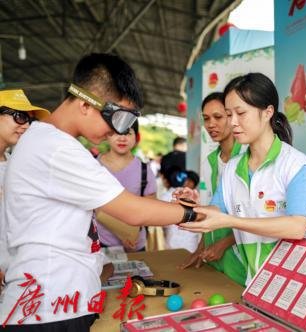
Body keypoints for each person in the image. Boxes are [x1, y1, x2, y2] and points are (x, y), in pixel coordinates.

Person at [0, 53, 203, 331]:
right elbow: (132, 211)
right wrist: (194, 214)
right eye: (116, 118)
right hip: (49, 311)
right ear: (85, 104)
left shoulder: (46, 141)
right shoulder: (57, 148)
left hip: (55, 303)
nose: (115, 132)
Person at [178, 73, 306, 285]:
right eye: (229, 114)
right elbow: (216, 211)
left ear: (268, 112)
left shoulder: (295, 165)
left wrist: (232, 221)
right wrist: (191, 207)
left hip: (294, 283)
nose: (233, 122)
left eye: (241, 113)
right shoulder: (233, 168)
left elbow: (297, 227)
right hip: (254, 283)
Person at [179, 92, 246, 287]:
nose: (210, 124)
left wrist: (223, 244)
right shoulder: (209, 161)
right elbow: (209, 209)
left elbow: (255, 216)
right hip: (216, 260)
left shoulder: (246, 158)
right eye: (206, 118)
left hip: (243, 261)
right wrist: (201, 249)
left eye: (218, 117)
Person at [0, 90, 50, 295]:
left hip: (14, 274)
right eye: (19, 116)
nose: (26, 125)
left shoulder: (14, 163)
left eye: (30, 120)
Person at [94, 120, 156, 252]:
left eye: (127, 133)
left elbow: (150, 209)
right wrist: (121, 231)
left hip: (135, 246)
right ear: (107, 134)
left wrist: (130, 234)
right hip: (98, 245)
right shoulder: (93, 166)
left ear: (136, 137)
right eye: (116, 132)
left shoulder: (144, 170)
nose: (122, 138)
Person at [160, 165, 199, 253]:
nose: (187, 183)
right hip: (176, 241)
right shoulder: (170, 195)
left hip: (186, 241)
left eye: (189, 181)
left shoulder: (195, 196)